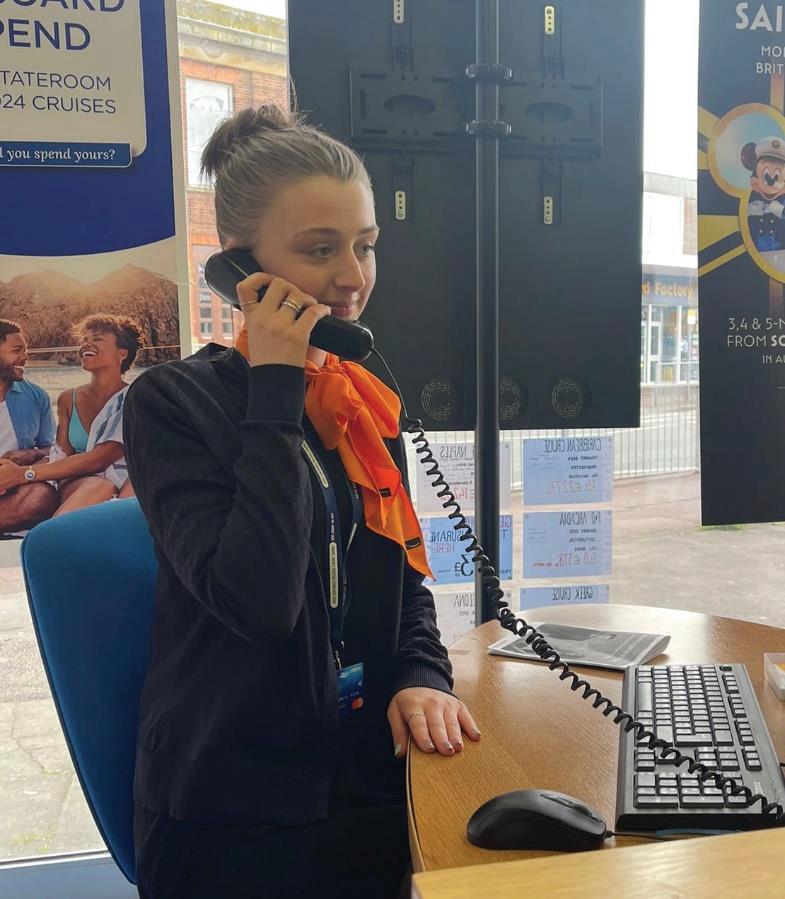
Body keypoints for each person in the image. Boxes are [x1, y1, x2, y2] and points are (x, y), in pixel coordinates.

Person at [123, 103, 481, 899]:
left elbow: (401, 579)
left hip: (362, 771)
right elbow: (257, 601)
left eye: (364, 245)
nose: (352, 276)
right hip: (233, 804)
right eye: (320, 250)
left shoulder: (357, 401)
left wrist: (421, 673)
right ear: (239, 265)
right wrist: (277, 387)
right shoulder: (172, 404)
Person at [0, 314, 143, 516]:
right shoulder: (69, 399)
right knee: (97, 487)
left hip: (121, 480)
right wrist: (19, 470)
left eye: (97, 339)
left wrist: (24, 473)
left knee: (125, 486)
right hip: (76, 482)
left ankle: (61, 533)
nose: (86, 344)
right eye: (85, 339)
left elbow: (101, 457)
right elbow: (59, 454)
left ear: (122, 353)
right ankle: (54, 534)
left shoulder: (135, 398)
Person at [0, 319, 58, 532]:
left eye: (25, 350)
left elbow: (53, 451)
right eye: (16, 350)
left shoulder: (36, 396)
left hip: (13, 487)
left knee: (43, 496)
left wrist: (29, 455)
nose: (25, 357)